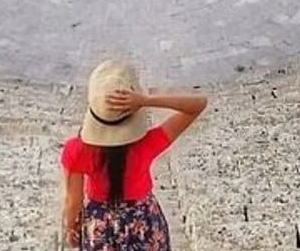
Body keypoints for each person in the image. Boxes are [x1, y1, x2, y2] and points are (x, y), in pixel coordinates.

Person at [60, 61, 207, 250]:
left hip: (100, 226)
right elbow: (198, 104)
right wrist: (146, 100)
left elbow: (73, 200)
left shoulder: (76, 149)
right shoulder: (147, 143)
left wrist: (70, 226)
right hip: (145, 222)